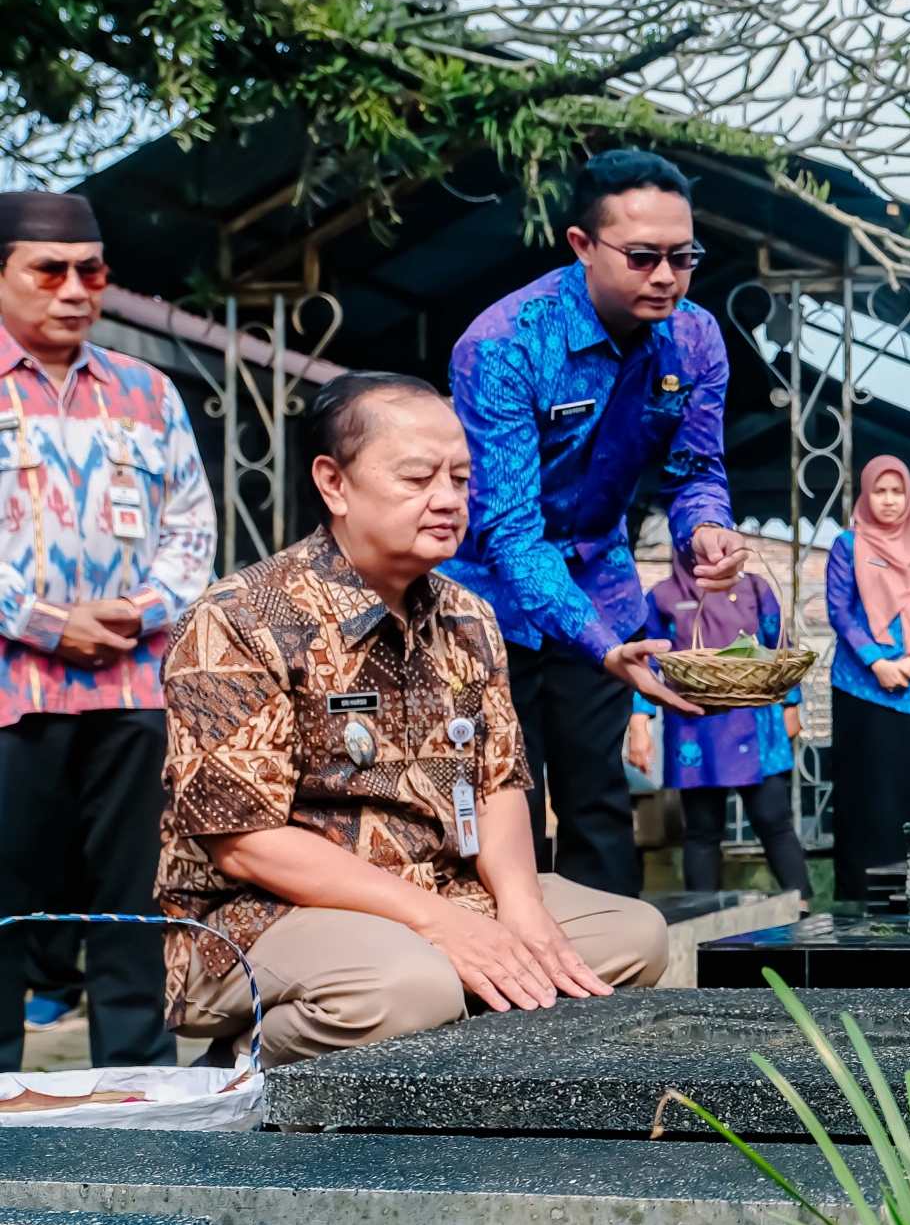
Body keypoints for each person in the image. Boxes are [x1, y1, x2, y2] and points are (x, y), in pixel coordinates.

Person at [156, 371, 667, 1068]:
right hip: (267, 914)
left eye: (459, 478)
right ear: (334, 483)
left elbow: (498, 785)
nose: (448, 500)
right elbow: (244, 843)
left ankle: (455, 1072)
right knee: (403, 990)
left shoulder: (468, 615)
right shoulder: (240, 617)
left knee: (634, 935)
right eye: (418, 478)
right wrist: (441, 924)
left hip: (443, 891)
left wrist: (518, 908)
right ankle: (242, 1065)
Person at [447, 149, 750, 897]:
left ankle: (613, 997)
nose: (666, 277)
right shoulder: (503, 345)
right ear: (581, 245)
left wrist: (706, 531)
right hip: (491, 600)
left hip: (605, 584)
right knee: (500, 805)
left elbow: (695, 472)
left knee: (600, 806)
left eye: (684, 257)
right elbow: (510, 531)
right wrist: (602, 645)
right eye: (643, 257)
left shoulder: (697, 340)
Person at [0, 189, 215, 1075]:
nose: (74, 289)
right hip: (12, 693)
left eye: (91, 271)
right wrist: (45, 622)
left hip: (133, 688)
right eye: (48, 271)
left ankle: (137, 1088)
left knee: (136, 902)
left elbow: (193, 526)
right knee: (5, 904)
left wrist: (142, 610)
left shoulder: (147, 391)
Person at [625, 551, 811, 898]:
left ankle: (803, 911)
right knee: (701, 831)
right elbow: (645, 663)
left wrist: (792, 703)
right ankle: (702, 920)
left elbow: (779, 646)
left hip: (758, 723)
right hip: (695, 728)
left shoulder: (756, 589)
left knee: (775, 823)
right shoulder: (662, 597)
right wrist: (639, 721)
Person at [827, 455, 910, 885]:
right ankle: (863, 890)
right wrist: (878, 663)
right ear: (866, 495)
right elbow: (840, 612)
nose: (888, 500)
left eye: (897, 491)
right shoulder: (847, 546)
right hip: (862, 686)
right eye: (879, 491)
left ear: (909, 496)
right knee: (868, 789)